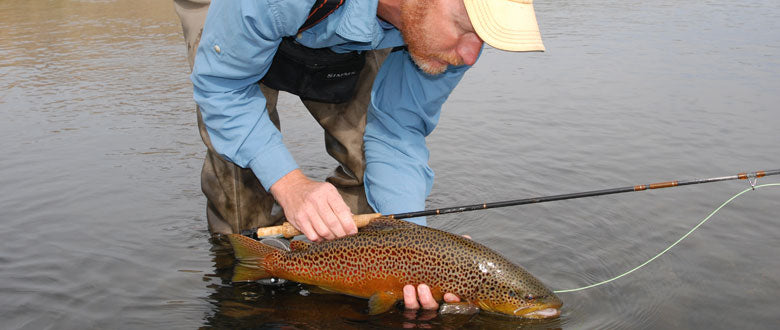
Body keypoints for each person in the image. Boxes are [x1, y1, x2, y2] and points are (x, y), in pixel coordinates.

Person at [175, 0, 543, 312]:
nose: (470, 55)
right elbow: (222, 88)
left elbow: (398, 127)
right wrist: (289, 183)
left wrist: (413, 249)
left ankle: (330, 283)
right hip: (241, 21)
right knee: (242, 187)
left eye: (487, 37)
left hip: (365, 26)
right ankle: (240, 301)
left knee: (373, 179)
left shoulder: (448, 38)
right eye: (466, 28)